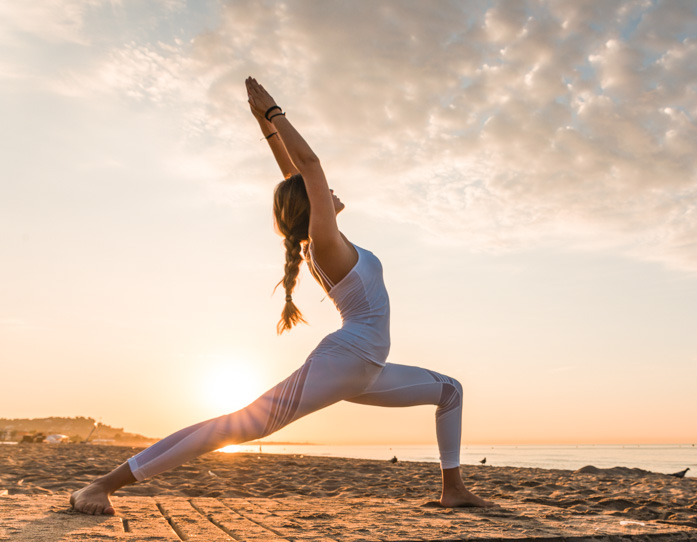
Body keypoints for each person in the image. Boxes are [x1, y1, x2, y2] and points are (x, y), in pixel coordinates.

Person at [69, 76, 494, 515]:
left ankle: (453, 489)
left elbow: (294, 174)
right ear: (314, 205)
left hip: (368, 368)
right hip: (345, 361)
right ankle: (104, 484)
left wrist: (267, 131)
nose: (330, 191)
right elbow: (308, 166)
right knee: (237, 426)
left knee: (450, 390)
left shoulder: (329, 239)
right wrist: (275, 112)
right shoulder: (324, 243)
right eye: (322, 192)